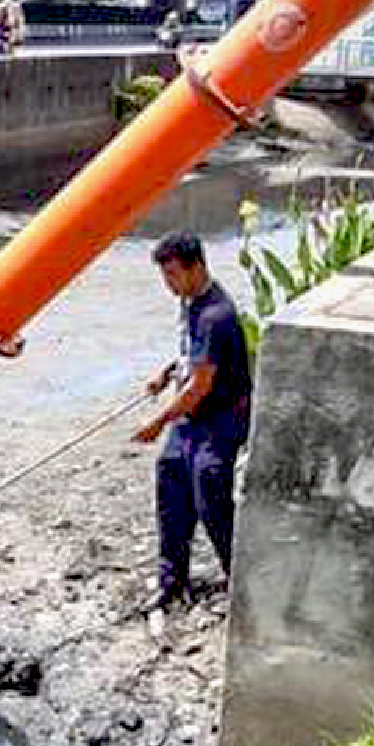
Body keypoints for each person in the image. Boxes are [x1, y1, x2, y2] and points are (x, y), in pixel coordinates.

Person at [132, 231, 253, 610]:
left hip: (218, 419)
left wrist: (157, 422)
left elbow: (201, 385)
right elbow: (190, 355)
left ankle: (241, 581)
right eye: (164, 277)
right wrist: (166, 374)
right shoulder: (190, 303)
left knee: (210, 496)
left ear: (196, 267)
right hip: (192, 418)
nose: (168, 285)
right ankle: (172, 582)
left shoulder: (217, 316)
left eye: (172, 275)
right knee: (171, 485)